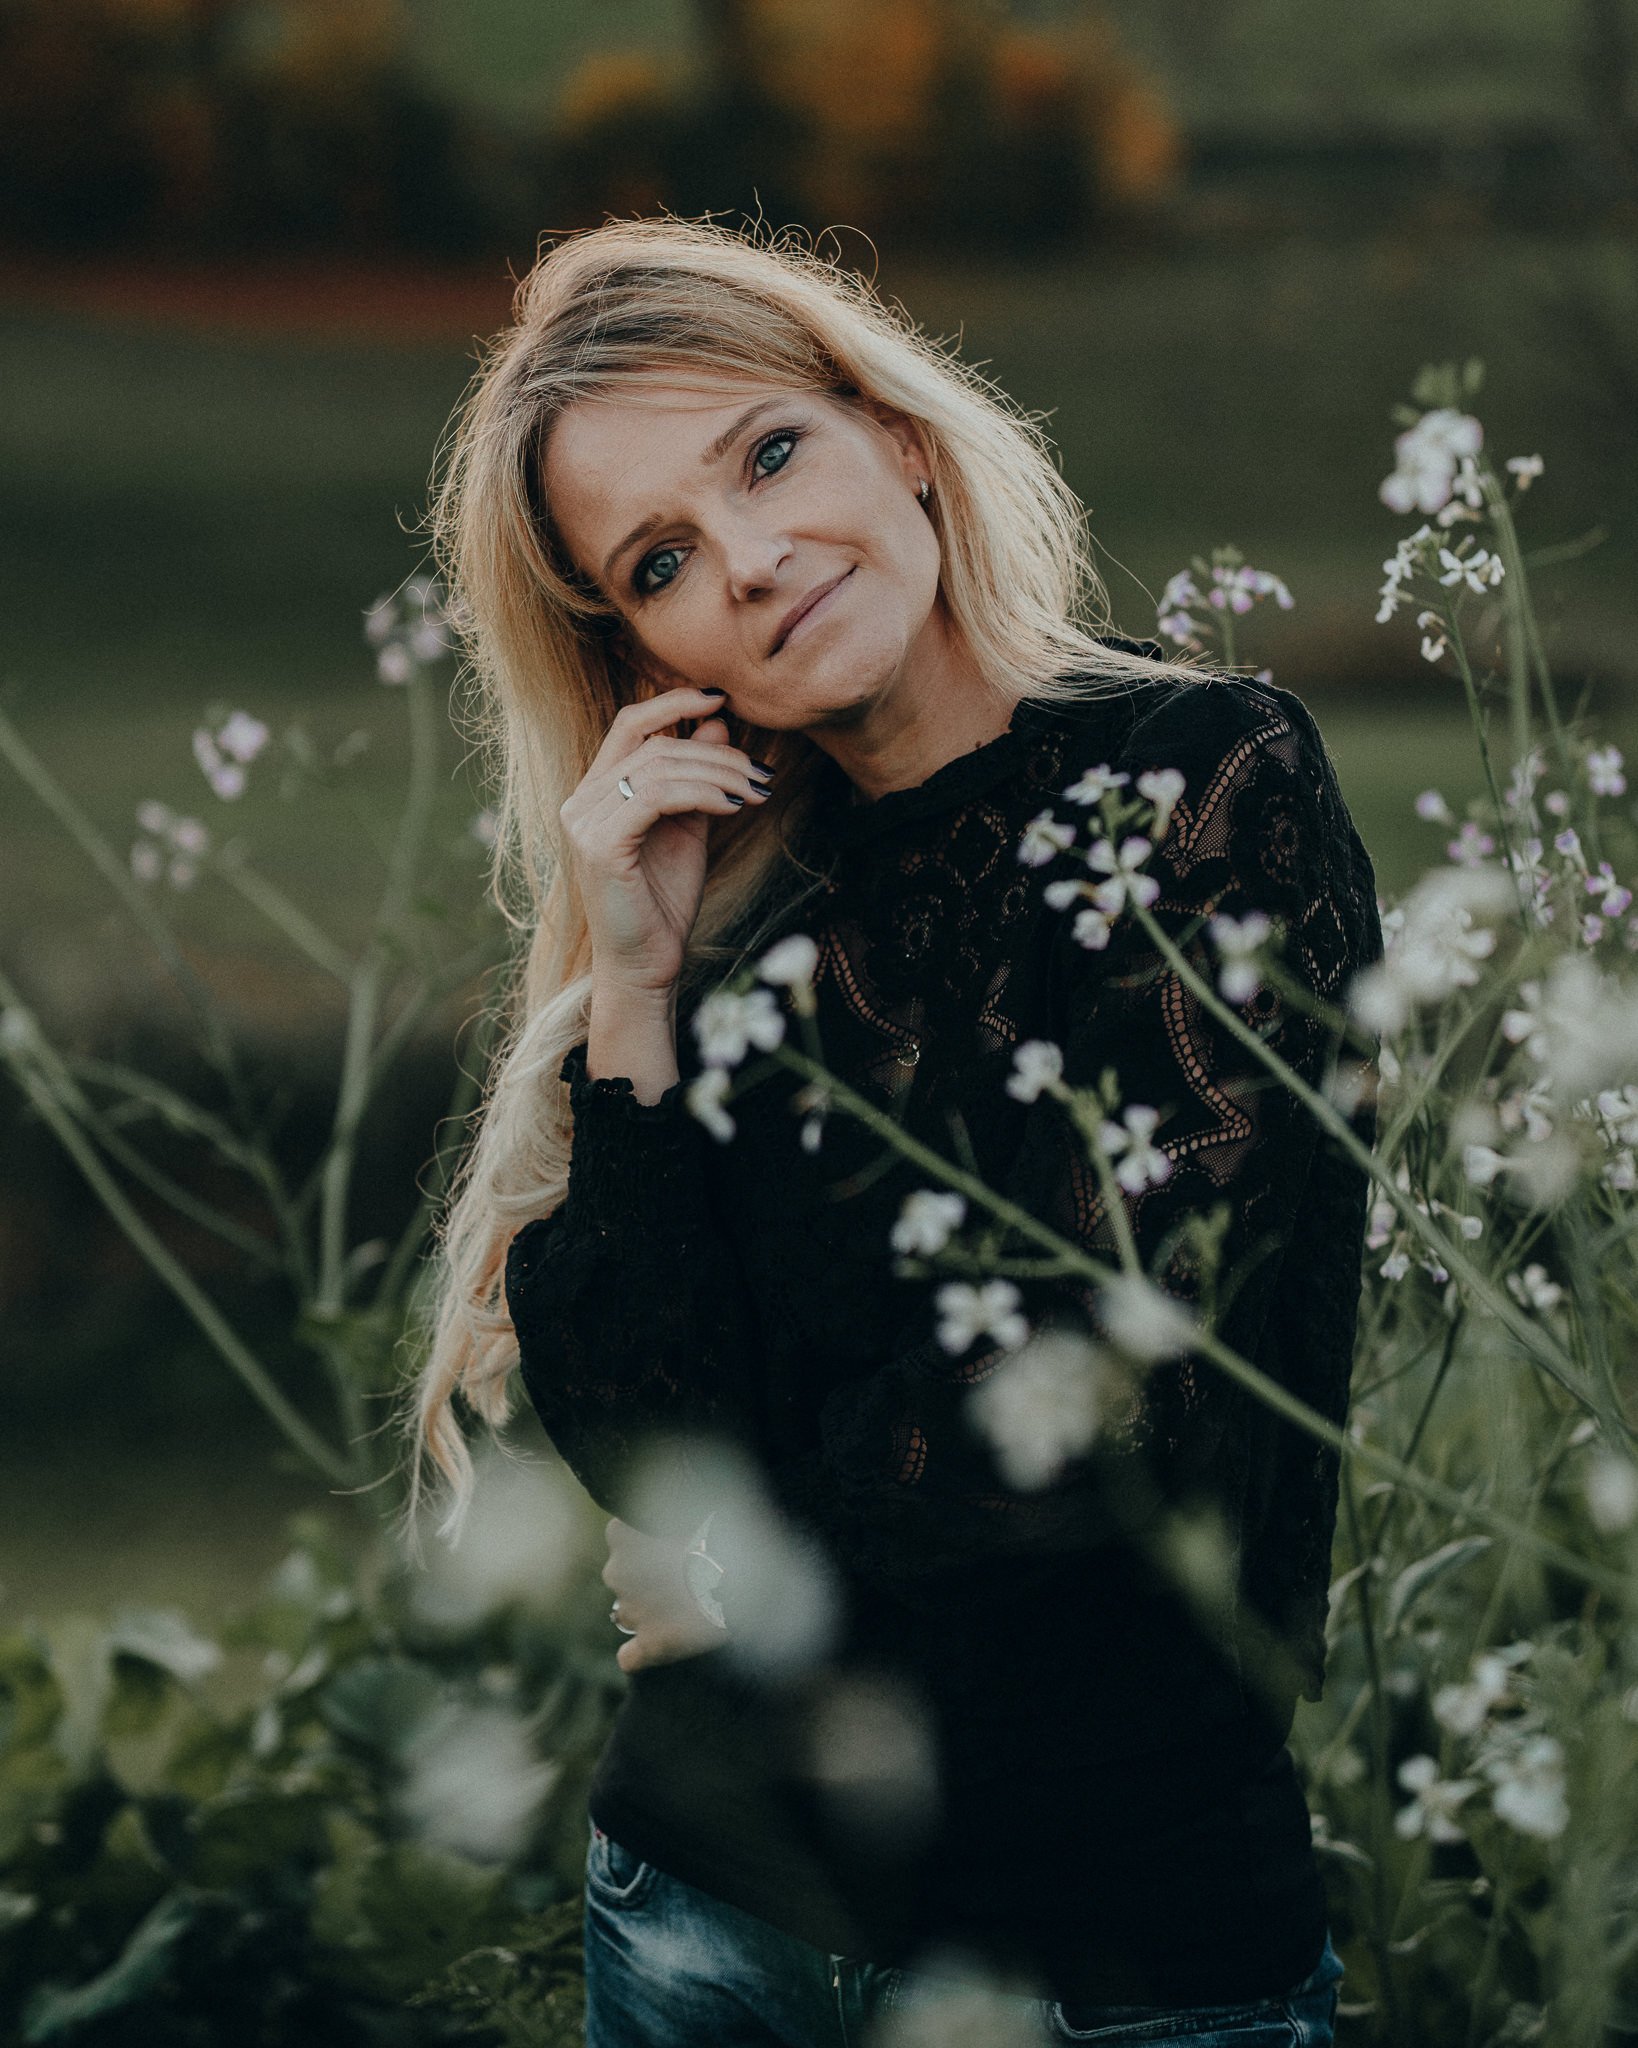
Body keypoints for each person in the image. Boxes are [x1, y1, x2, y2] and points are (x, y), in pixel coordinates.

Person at [401, 215, 1383, 2047]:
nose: (755, 562)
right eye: (664, 560)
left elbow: (1135, 1421)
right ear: (640, 654)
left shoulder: (1203, 784)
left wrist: (751, 1566)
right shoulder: (731, 917)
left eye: (770, 454)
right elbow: (635, 1432)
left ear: (900, 437)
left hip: (1115, 1957)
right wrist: (630, 980)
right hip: (707, 1932)